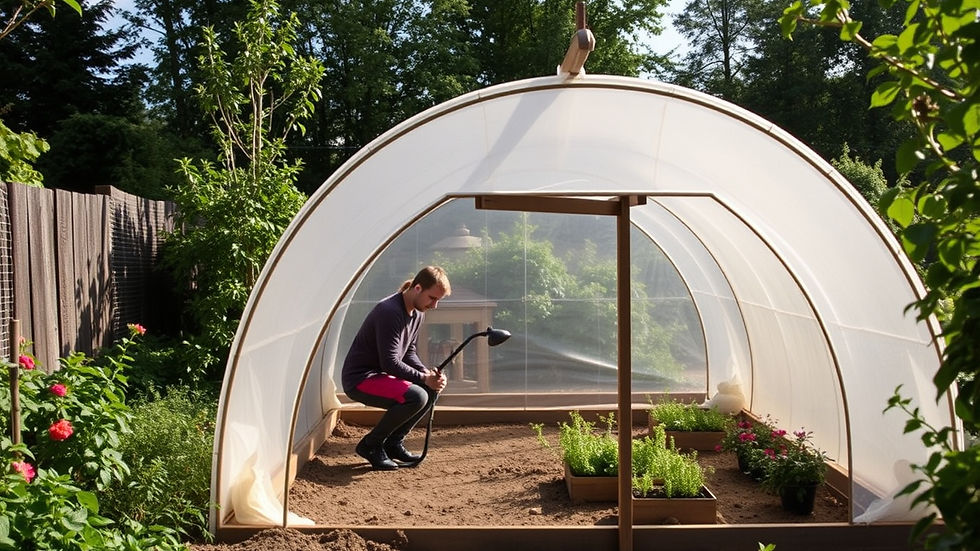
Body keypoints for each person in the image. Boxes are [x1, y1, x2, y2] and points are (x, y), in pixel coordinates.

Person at [341, 266, 451, 470]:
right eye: (432, 298)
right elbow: (390, 362)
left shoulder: (417, 312)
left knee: (429, 391)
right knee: (417, 396)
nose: (434, 305)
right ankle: (371, 445)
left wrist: (427, 374)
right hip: (361, 379)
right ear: (417, 288)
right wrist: (422, 378)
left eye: (438, 300)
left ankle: (393, 443)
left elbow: (408, 351)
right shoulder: (389, 311)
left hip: (380, 375)